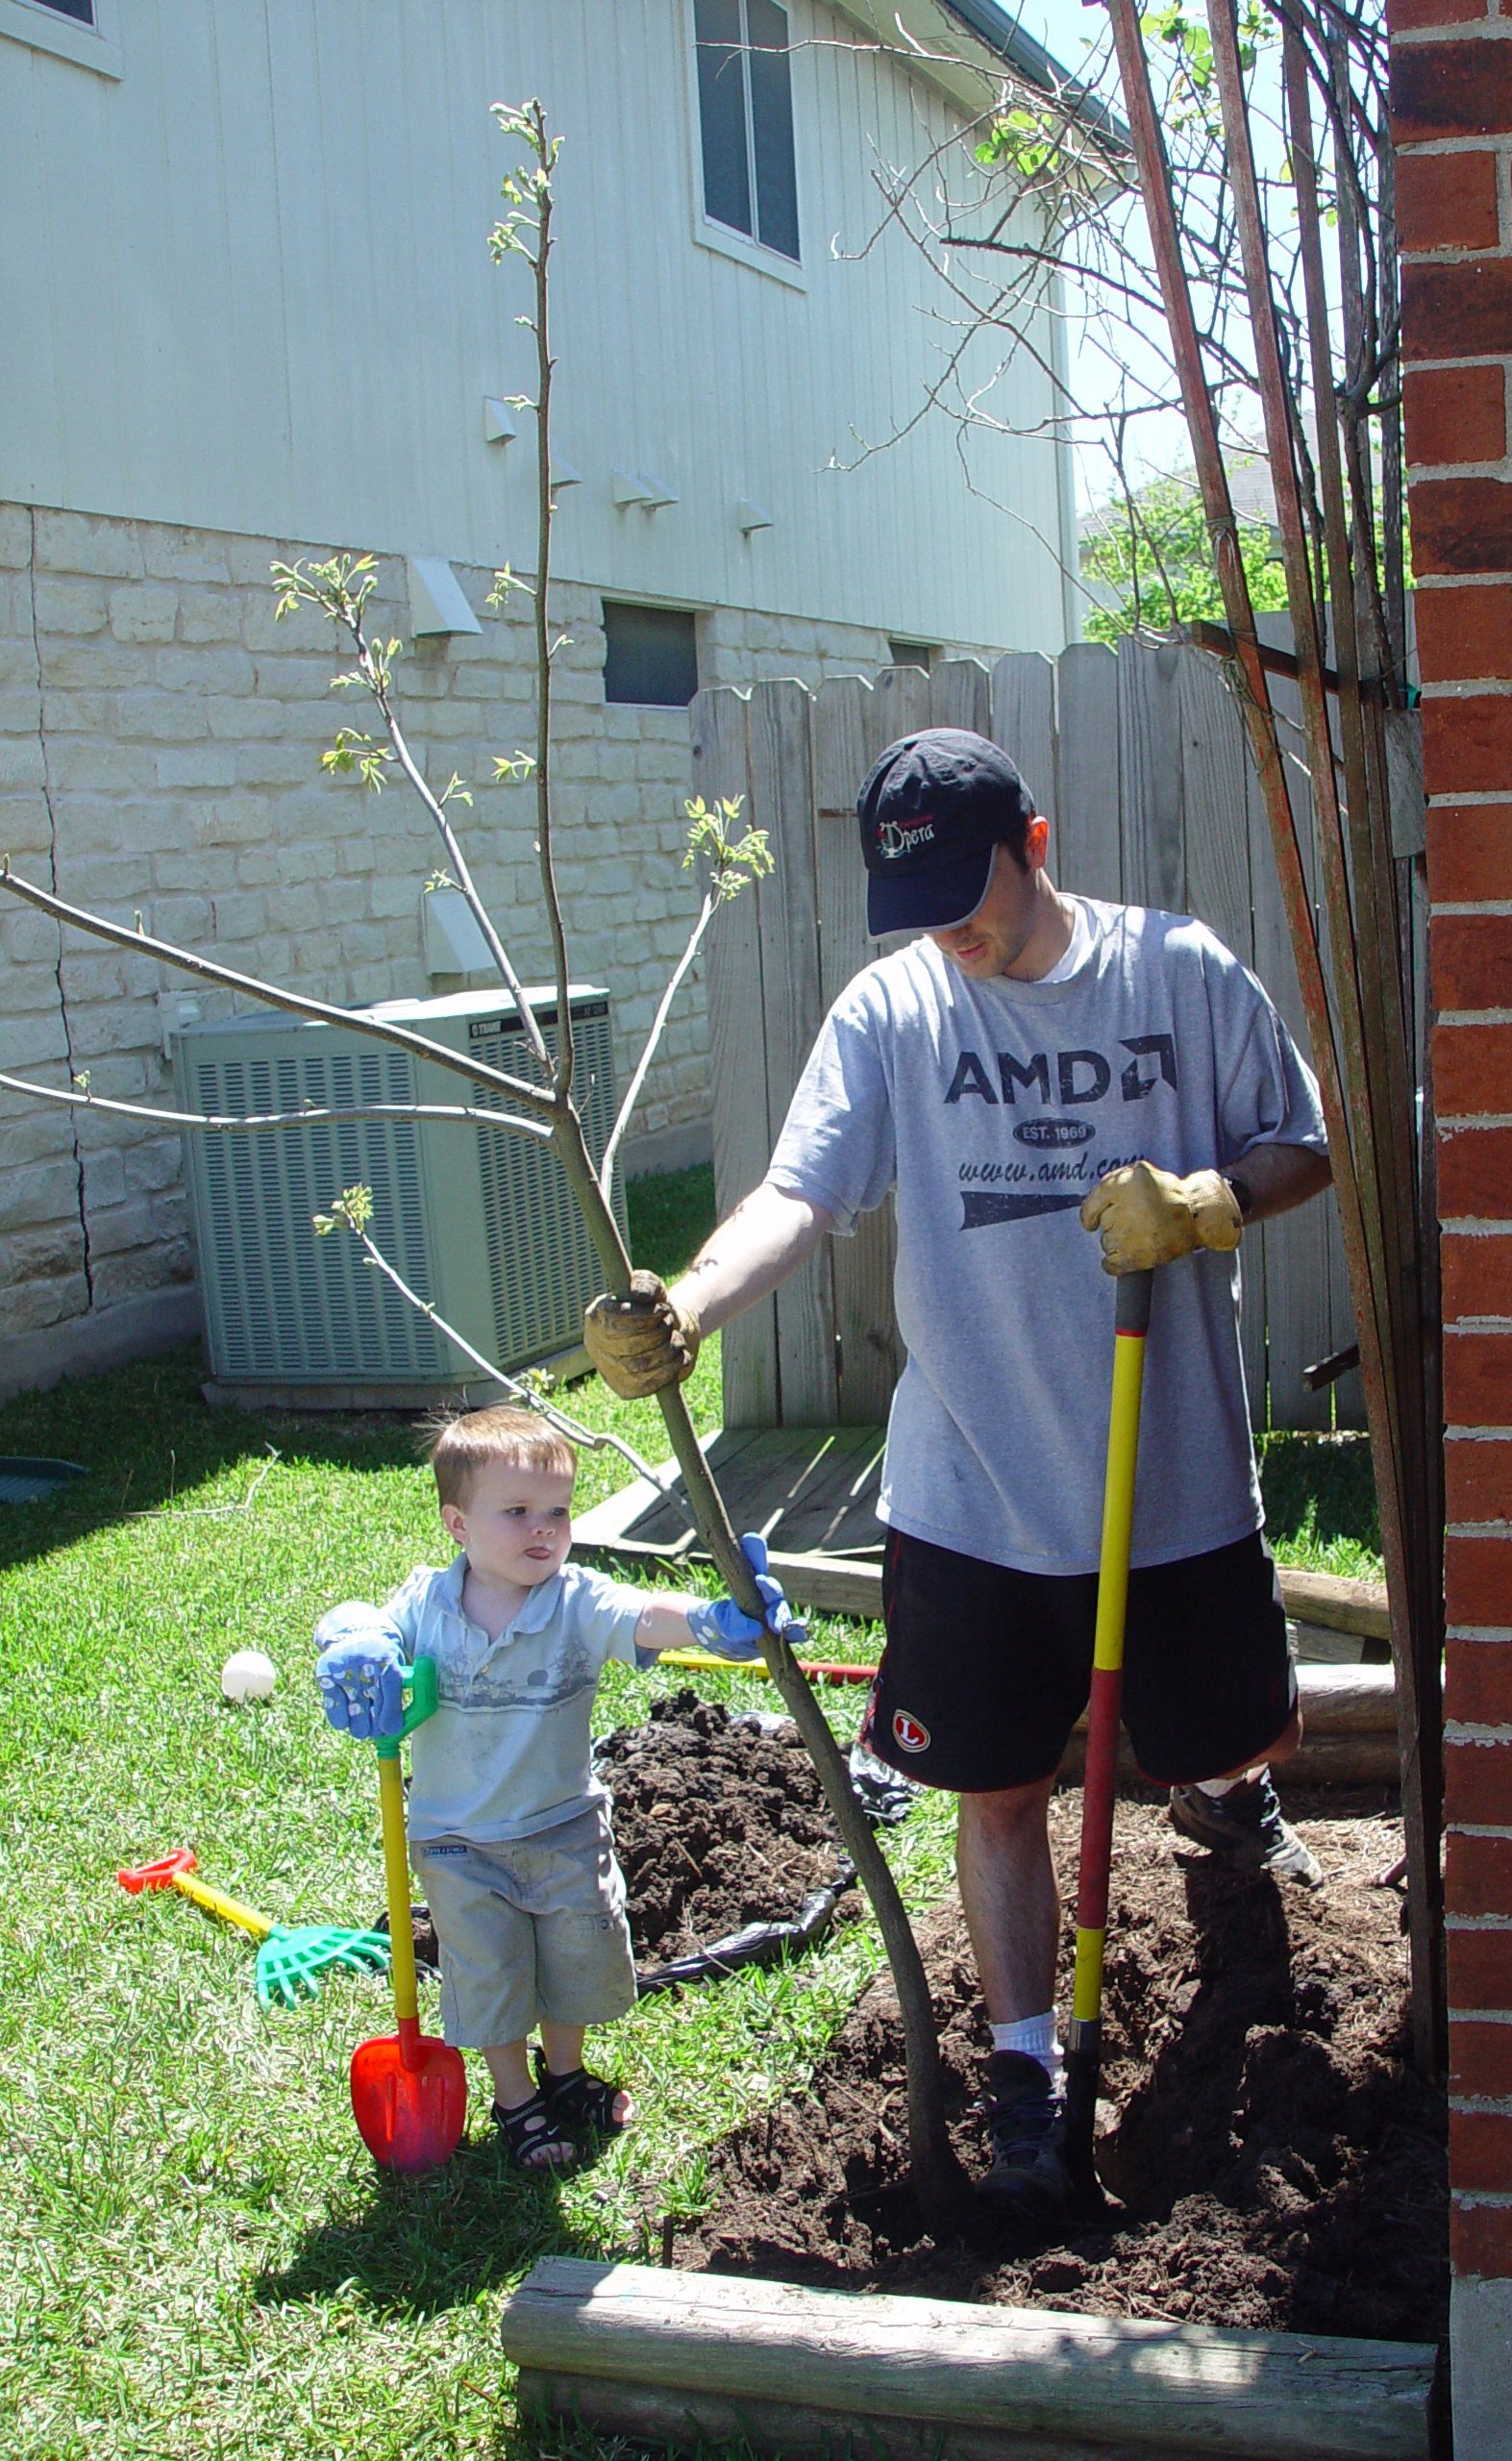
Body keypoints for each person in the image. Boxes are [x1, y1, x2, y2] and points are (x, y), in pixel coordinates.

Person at [583, 727, 1335, 2220]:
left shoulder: (1180, 973)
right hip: (974, 1493)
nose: (951, 927)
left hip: (1170, 1483)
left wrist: (1204, 1199)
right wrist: (687, 1303)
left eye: (968, 891)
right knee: (995, 1793)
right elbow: (800, 1195)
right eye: (916, 899)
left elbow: (1301, 1145)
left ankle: (1224, 1800)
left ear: (1035, 843)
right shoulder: (896, 1009)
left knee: (1223, 1736)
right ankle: (1022, 2067)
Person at [312, 1403, 790, 2171]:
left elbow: (644, 1614)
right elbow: (361, 1619)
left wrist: (708, 1621)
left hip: (565, 1828)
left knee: (577, 1964)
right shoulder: (424, 1604)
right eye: (518, 1512)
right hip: (457, 1842)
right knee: (492, 1975)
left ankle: (563, 2076)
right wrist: (354, 1641)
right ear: (457, 1523)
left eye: (558, 1511)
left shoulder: (574, 1599)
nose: (544, 1528)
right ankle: (515, 2100)